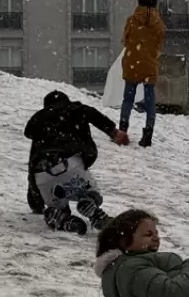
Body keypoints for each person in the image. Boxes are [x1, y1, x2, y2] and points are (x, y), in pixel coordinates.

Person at [24, 90, 128, 234]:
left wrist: (36, 202)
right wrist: (113, 131)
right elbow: (93, 114)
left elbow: (31, 167)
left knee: (56, 205)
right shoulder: (76, 109)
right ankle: (90, 205)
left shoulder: (39, 122)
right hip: (71, 163)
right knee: (92, 192)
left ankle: (60, 217)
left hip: (42, 172)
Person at [118, 0, 165, 148]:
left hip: (133, 62)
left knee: (128, 99)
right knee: (150, 99)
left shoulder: (132, 20)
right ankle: (148, 133)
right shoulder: (158, 23)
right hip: (150, 64)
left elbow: (125, 40)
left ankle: (122, 129)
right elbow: (159, 44)